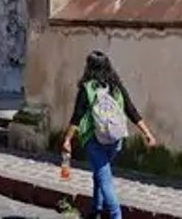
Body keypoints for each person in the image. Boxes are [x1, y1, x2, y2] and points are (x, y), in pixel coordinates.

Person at [58, 51, 157, 219]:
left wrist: (67, 139)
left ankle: (115, 215)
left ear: (89, 67)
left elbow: (77, 116)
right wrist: (147, 134)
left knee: (105, 179)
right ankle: (95, 209)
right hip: (115, 140)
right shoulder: (116, 87)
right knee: (100, 172)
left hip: (94, 140)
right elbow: (131, 111)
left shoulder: (87, 88)